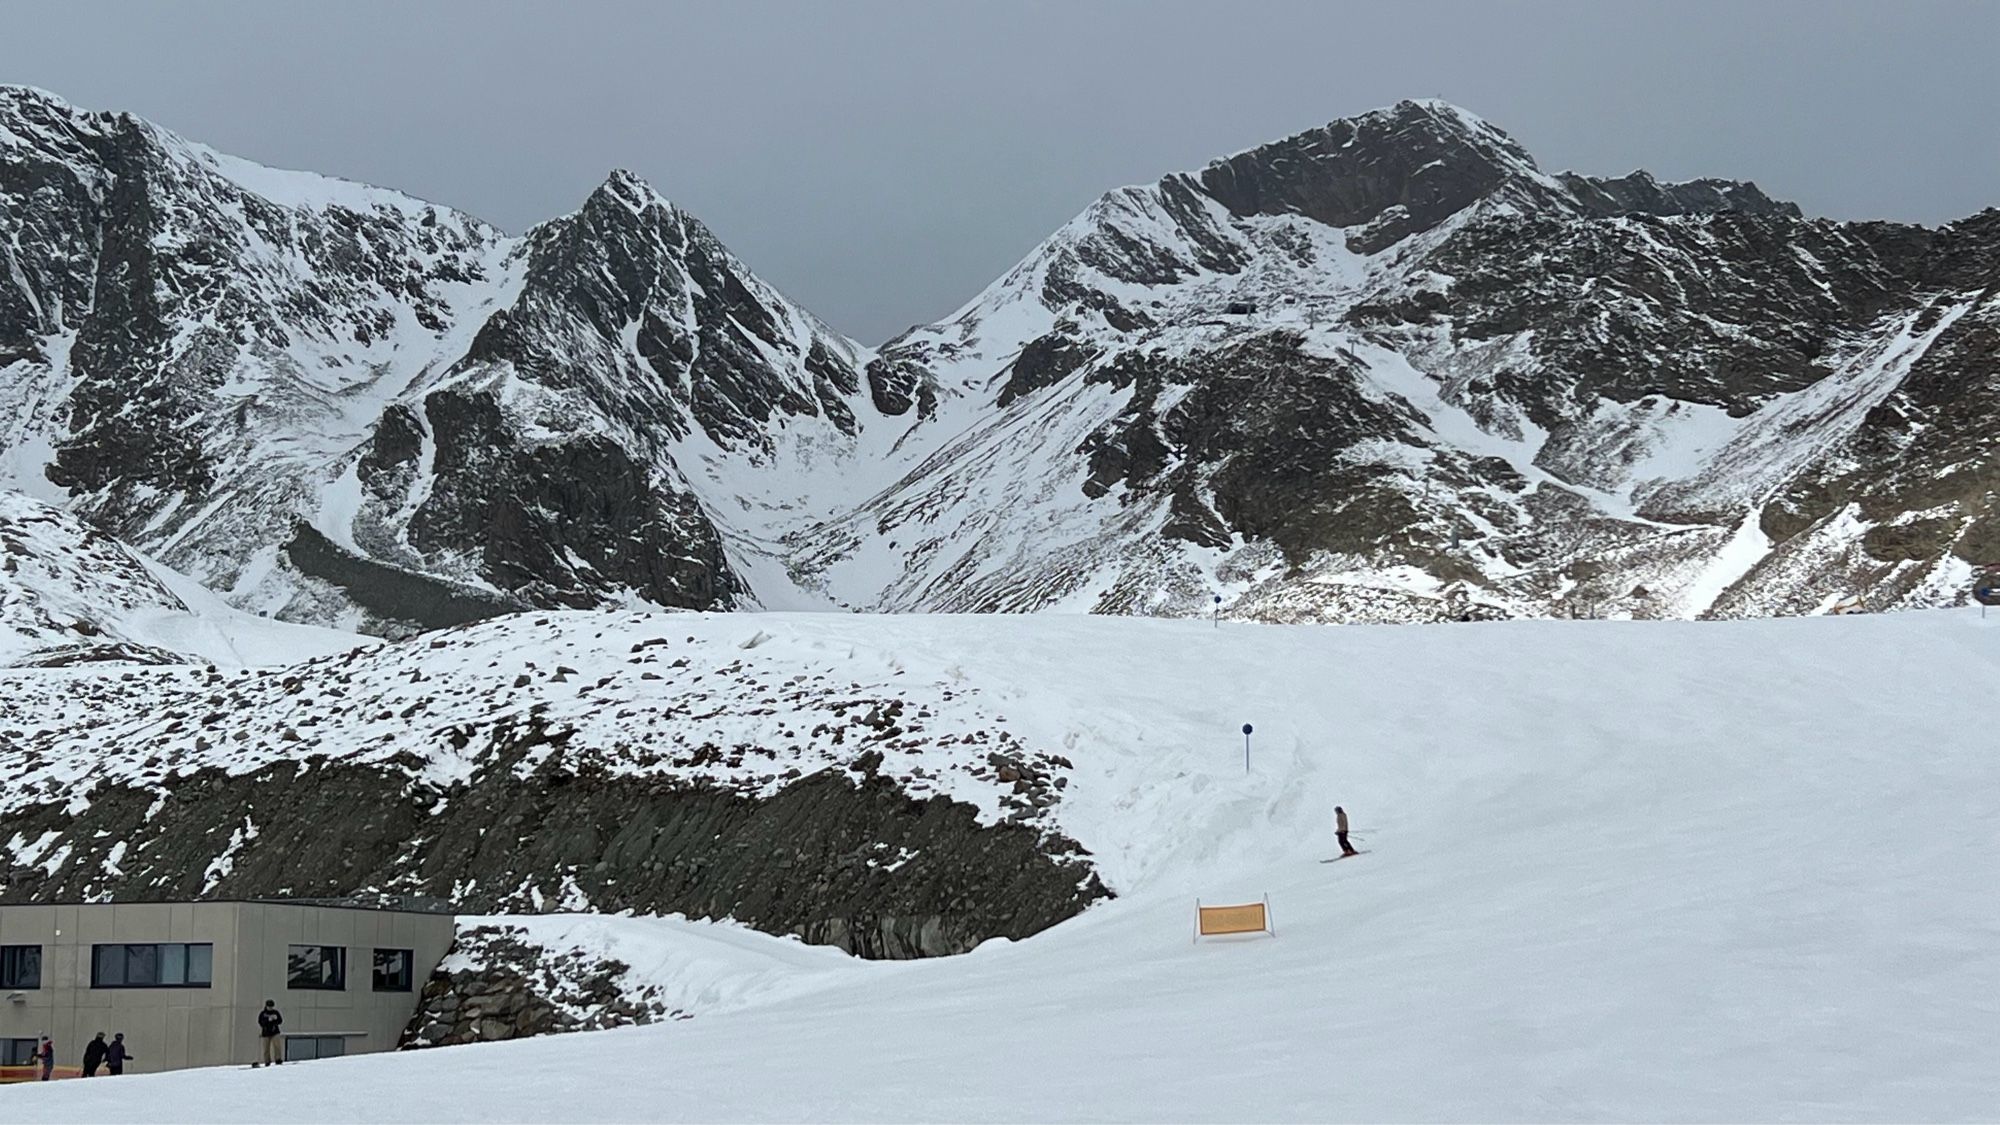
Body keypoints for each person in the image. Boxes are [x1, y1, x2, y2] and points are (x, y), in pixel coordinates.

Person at [255, 1000, 284, 1067]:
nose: (270, 1008)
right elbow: (260, 1022)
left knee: (277, 1046)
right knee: (266, 1048)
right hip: (266, 1033)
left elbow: (280, 1021)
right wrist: (268, 1021)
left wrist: (275, 1020)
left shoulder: (275, 1012)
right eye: (269, 1006)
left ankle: (278, 1059)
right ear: (266, 1006)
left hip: (275, 1032)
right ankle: (267, 1061)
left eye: (271, 1007)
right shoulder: (263, 1014)